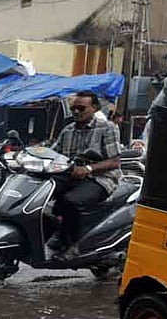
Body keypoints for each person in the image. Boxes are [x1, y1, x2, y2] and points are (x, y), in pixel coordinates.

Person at [47, 90, 122, 259]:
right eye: (74, 108)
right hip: (71, 176)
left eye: (81, 108)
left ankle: (75, 246)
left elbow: (114, 162)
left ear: (95, 107)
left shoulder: (107, 128)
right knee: (43, 194)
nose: (76, 112)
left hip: (100, 179)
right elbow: (54, 154)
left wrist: (88, 169)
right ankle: (57, 232)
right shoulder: (68, 130)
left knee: (70, 201)